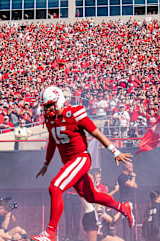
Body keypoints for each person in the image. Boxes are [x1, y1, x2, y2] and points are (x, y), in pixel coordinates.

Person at [32, 86, 135, 241]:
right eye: (45, 106)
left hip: (80, 158)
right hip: (69, 162)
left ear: (59, 101)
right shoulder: (49, 120)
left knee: (55, 187)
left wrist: (115, 151)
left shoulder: (74, 113)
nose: (47, 109)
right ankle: (123, 207)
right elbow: (52, 141)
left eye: (49, 105)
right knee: (91, 196)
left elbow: (96, 132)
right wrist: (46, 164)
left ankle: (51, 232)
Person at [117, 162, 137, 241]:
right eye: (132, 167)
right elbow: (131, 185)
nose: (133, 169)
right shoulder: (122, 177)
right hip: (125, 202)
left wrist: (132, 178)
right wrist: (134, 177)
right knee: (127, 224)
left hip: (131, 202)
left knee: (132, 223)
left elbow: (135, 186)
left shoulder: (129, 176)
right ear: (127, 167)